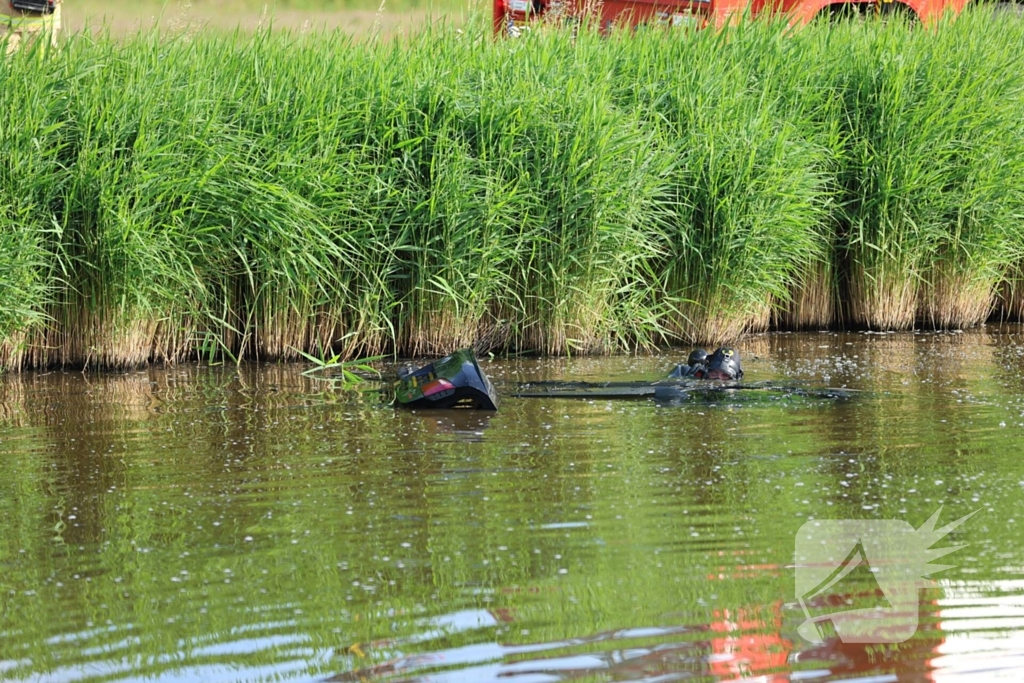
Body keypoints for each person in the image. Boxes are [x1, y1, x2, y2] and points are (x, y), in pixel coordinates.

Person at [668, 347, 743, 381]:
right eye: (714, 373)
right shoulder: (682, 372)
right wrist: (691, 378)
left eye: (725, 375)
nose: (718, 380)